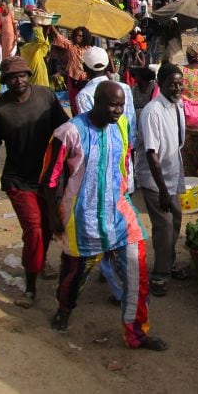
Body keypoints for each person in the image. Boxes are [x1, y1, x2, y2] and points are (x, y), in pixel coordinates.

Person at [41, 82, 167, 351]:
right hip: (82, 219)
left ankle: (136, 334)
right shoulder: (68, 133)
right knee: (75, 275)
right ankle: (64, 308)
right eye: (112, 105)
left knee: (137, 272)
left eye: (121, 106)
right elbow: (48, 180)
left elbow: (122, 166)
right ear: (96, 102)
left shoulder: (121, 127)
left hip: (120, 214)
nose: (118, 111)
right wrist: (52, 216)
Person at [0, 56, 69, 308]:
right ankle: (30, 287)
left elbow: (66, 128)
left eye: (22, 75)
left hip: (47, 179)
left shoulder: (46, 97)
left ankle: (38, 263)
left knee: (46, 227)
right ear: (5, 81)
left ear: (29, 75)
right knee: (34, 230)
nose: (18, 80)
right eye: (12, 77)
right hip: (17, 180)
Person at [136, 64, 188, 297]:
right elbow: (151, 153)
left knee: (175, 219)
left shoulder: (178, 105)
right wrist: (163, 190)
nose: (177, 87)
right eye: (172, 83)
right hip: (156, 180)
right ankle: (159, 276)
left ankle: (170, 263)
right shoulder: (152, 111)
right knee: (164, 226)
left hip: (172, 173)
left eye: (180, 83)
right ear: (160, 84)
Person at [75, 46, 138, 167]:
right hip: (125, 154)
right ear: (108, 64)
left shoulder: (83, 95)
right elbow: (132, 123)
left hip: (101, 158)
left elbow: (90, 131)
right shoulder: (124, 88)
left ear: (84, 67)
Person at [51, 25, 91, 115]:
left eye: (80, 36)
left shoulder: (90, 50)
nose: (77, 37)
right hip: (73, 79)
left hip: (85, 80)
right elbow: (59, 37)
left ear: (84, 37)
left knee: (84, 103)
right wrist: (51, 25)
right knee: (73, 103)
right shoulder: (71, 47)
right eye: (76, 35)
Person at [19, 19, 51, 88]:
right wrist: (31, 16)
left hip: (43, 86)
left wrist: (46, 29)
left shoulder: (35, 49)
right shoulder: (27, 48)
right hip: (36, 88)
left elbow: (44, 46)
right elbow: (40, 41)